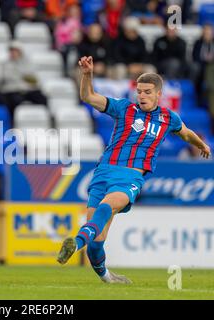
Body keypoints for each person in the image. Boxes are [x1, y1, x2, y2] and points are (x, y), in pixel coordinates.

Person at [56, 56, 211, 283]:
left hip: (130, 175)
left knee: (106, 208)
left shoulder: (168, 118)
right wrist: (87, 75)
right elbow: (88, 96)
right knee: (97, 240)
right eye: (139, 91)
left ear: (159, 93)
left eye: (147, 92)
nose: (142, 96)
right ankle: (107, 277)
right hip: (103, 171)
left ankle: (76, 242)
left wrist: (202, 145)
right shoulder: (124, 108)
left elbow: (186, 133)